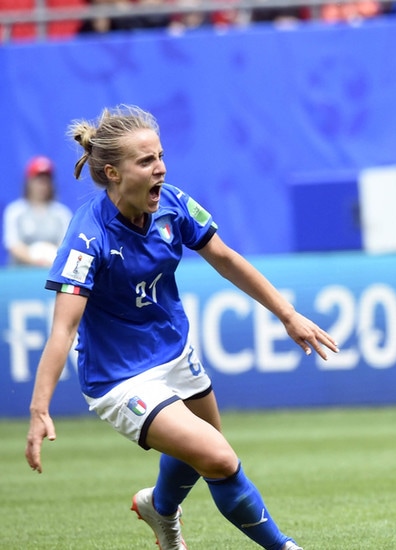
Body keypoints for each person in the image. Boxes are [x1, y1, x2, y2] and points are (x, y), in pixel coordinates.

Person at [24, 105, 339, 550]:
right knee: (219, 457)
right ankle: (284, 546)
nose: (161, 169)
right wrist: (39, 409)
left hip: (173, 353)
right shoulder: (87, 237)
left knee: (200, 456)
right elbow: (63, 330)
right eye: (146, 161)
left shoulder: (171, 202)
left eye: (161, 156)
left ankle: (159, 508)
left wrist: (287, 314)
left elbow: (225, 258)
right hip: (119, 377)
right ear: (112, 172)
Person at [3, 155, 74, 267]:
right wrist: (36, 260)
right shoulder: (15, 211)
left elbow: (65, 244)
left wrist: (50, 258)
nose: (42, 186)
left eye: (46, 181)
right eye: (38, 180)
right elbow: (13, 244)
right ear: (29, 182)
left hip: (50, 271)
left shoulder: (61, 213)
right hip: (19, 273)